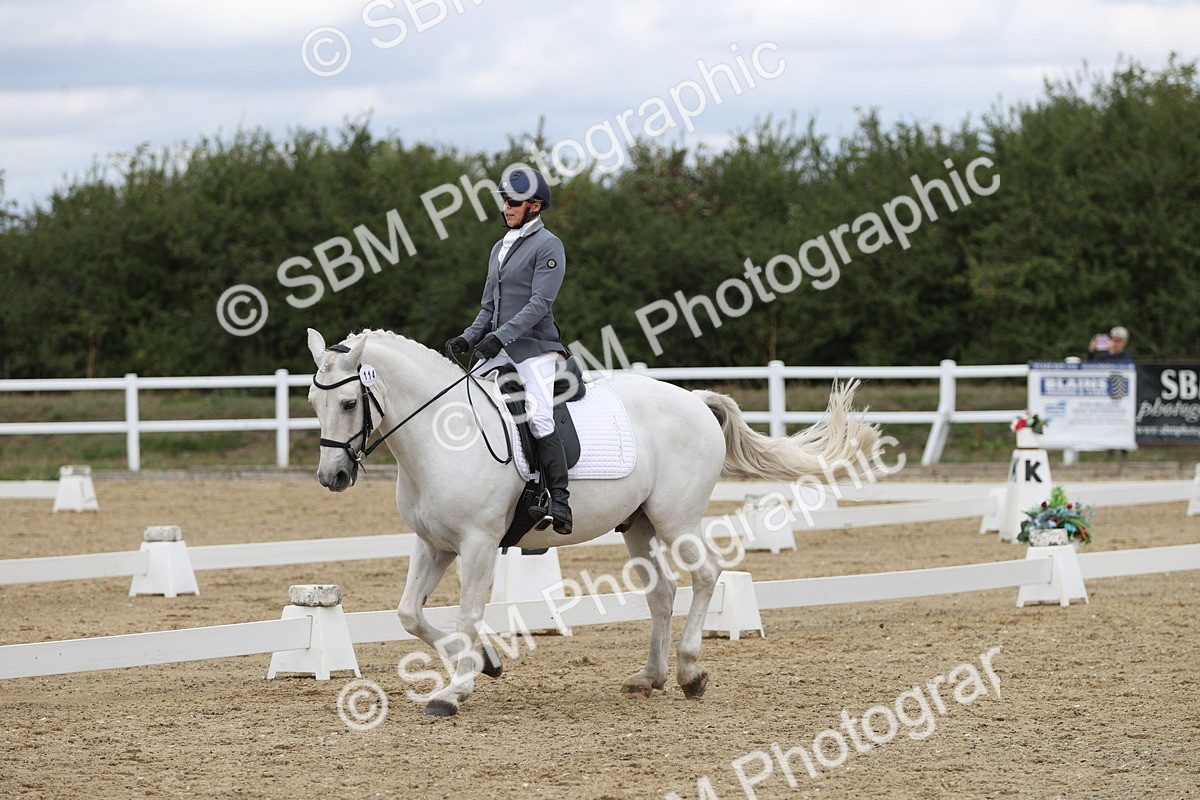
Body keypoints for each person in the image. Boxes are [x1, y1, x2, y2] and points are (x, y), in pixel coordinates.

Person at [444, 167, 573, 535]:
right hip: (499, 348)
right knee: (465, 402)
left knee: (539, 415)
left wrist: (499, 337)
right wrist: (469, 337)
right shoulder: (499, 248)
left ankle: (559, 499)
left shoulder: (549, 245)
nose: (506, 208)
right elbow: (489, 306)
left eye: (513, 202)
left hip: (537, 349)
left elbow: (539, 304)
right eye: (504, 201)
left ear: (534, 205)